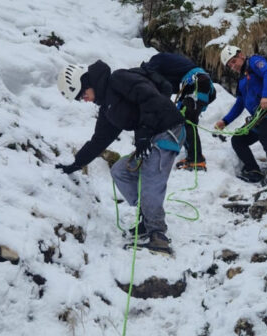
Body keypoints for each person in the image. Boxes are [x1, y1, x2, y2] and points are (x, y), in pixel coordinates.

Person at [55, 60, 185, 255]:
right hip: (151, 135)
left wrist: (143, 132)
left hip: (168, 129)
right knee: (120, 171)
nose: (85, 99)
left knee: (150, 178)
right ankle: (147, 219)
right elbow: (99, 140)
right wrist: (75, 164)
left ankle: (158, 236)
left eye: (83, 94)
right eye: (80, 99)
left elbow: (150, 98)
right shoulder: (107, 108)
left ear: (86, 81)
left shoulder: (118, 79)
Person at [214, 45, 267, 185]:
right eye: (229, 65)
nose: (232, 66)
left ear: (240, 54)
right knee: (238, 140)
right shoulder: (242, 79)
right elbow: (240, 103)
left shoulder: (254, 61)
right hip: (259, 116)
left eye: (233, 62)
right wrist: (225, 121)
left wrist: (266, 96)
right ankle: (254, 171)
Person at [140, 52, 216, 171]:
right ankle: (194, 155)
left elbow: (157, 85)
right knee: (184, 120)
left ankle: (196, 160)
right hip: (198, 84)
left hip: (197, 83)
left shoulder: (155, 61)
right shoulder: (169, 69)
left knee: (187, 122)